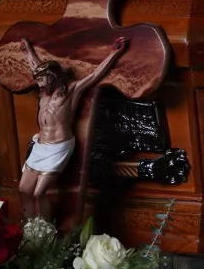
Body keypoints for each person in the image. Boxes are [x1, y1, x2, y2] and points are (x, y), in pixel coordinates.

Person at [18, 36, 127, 220]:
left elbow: (95, 75)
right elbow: (36, 65)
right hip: (40, 145)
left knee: (38, 193)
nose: (38, 82)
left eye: (41, 79)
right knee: (23, 190)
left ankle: (45, 230)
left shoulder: (71, 91)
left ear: (52, 77)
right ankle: (31, 228)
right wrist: (27, 50)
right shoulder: (43, 92)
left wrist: (115, 53)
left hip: (57, 147)